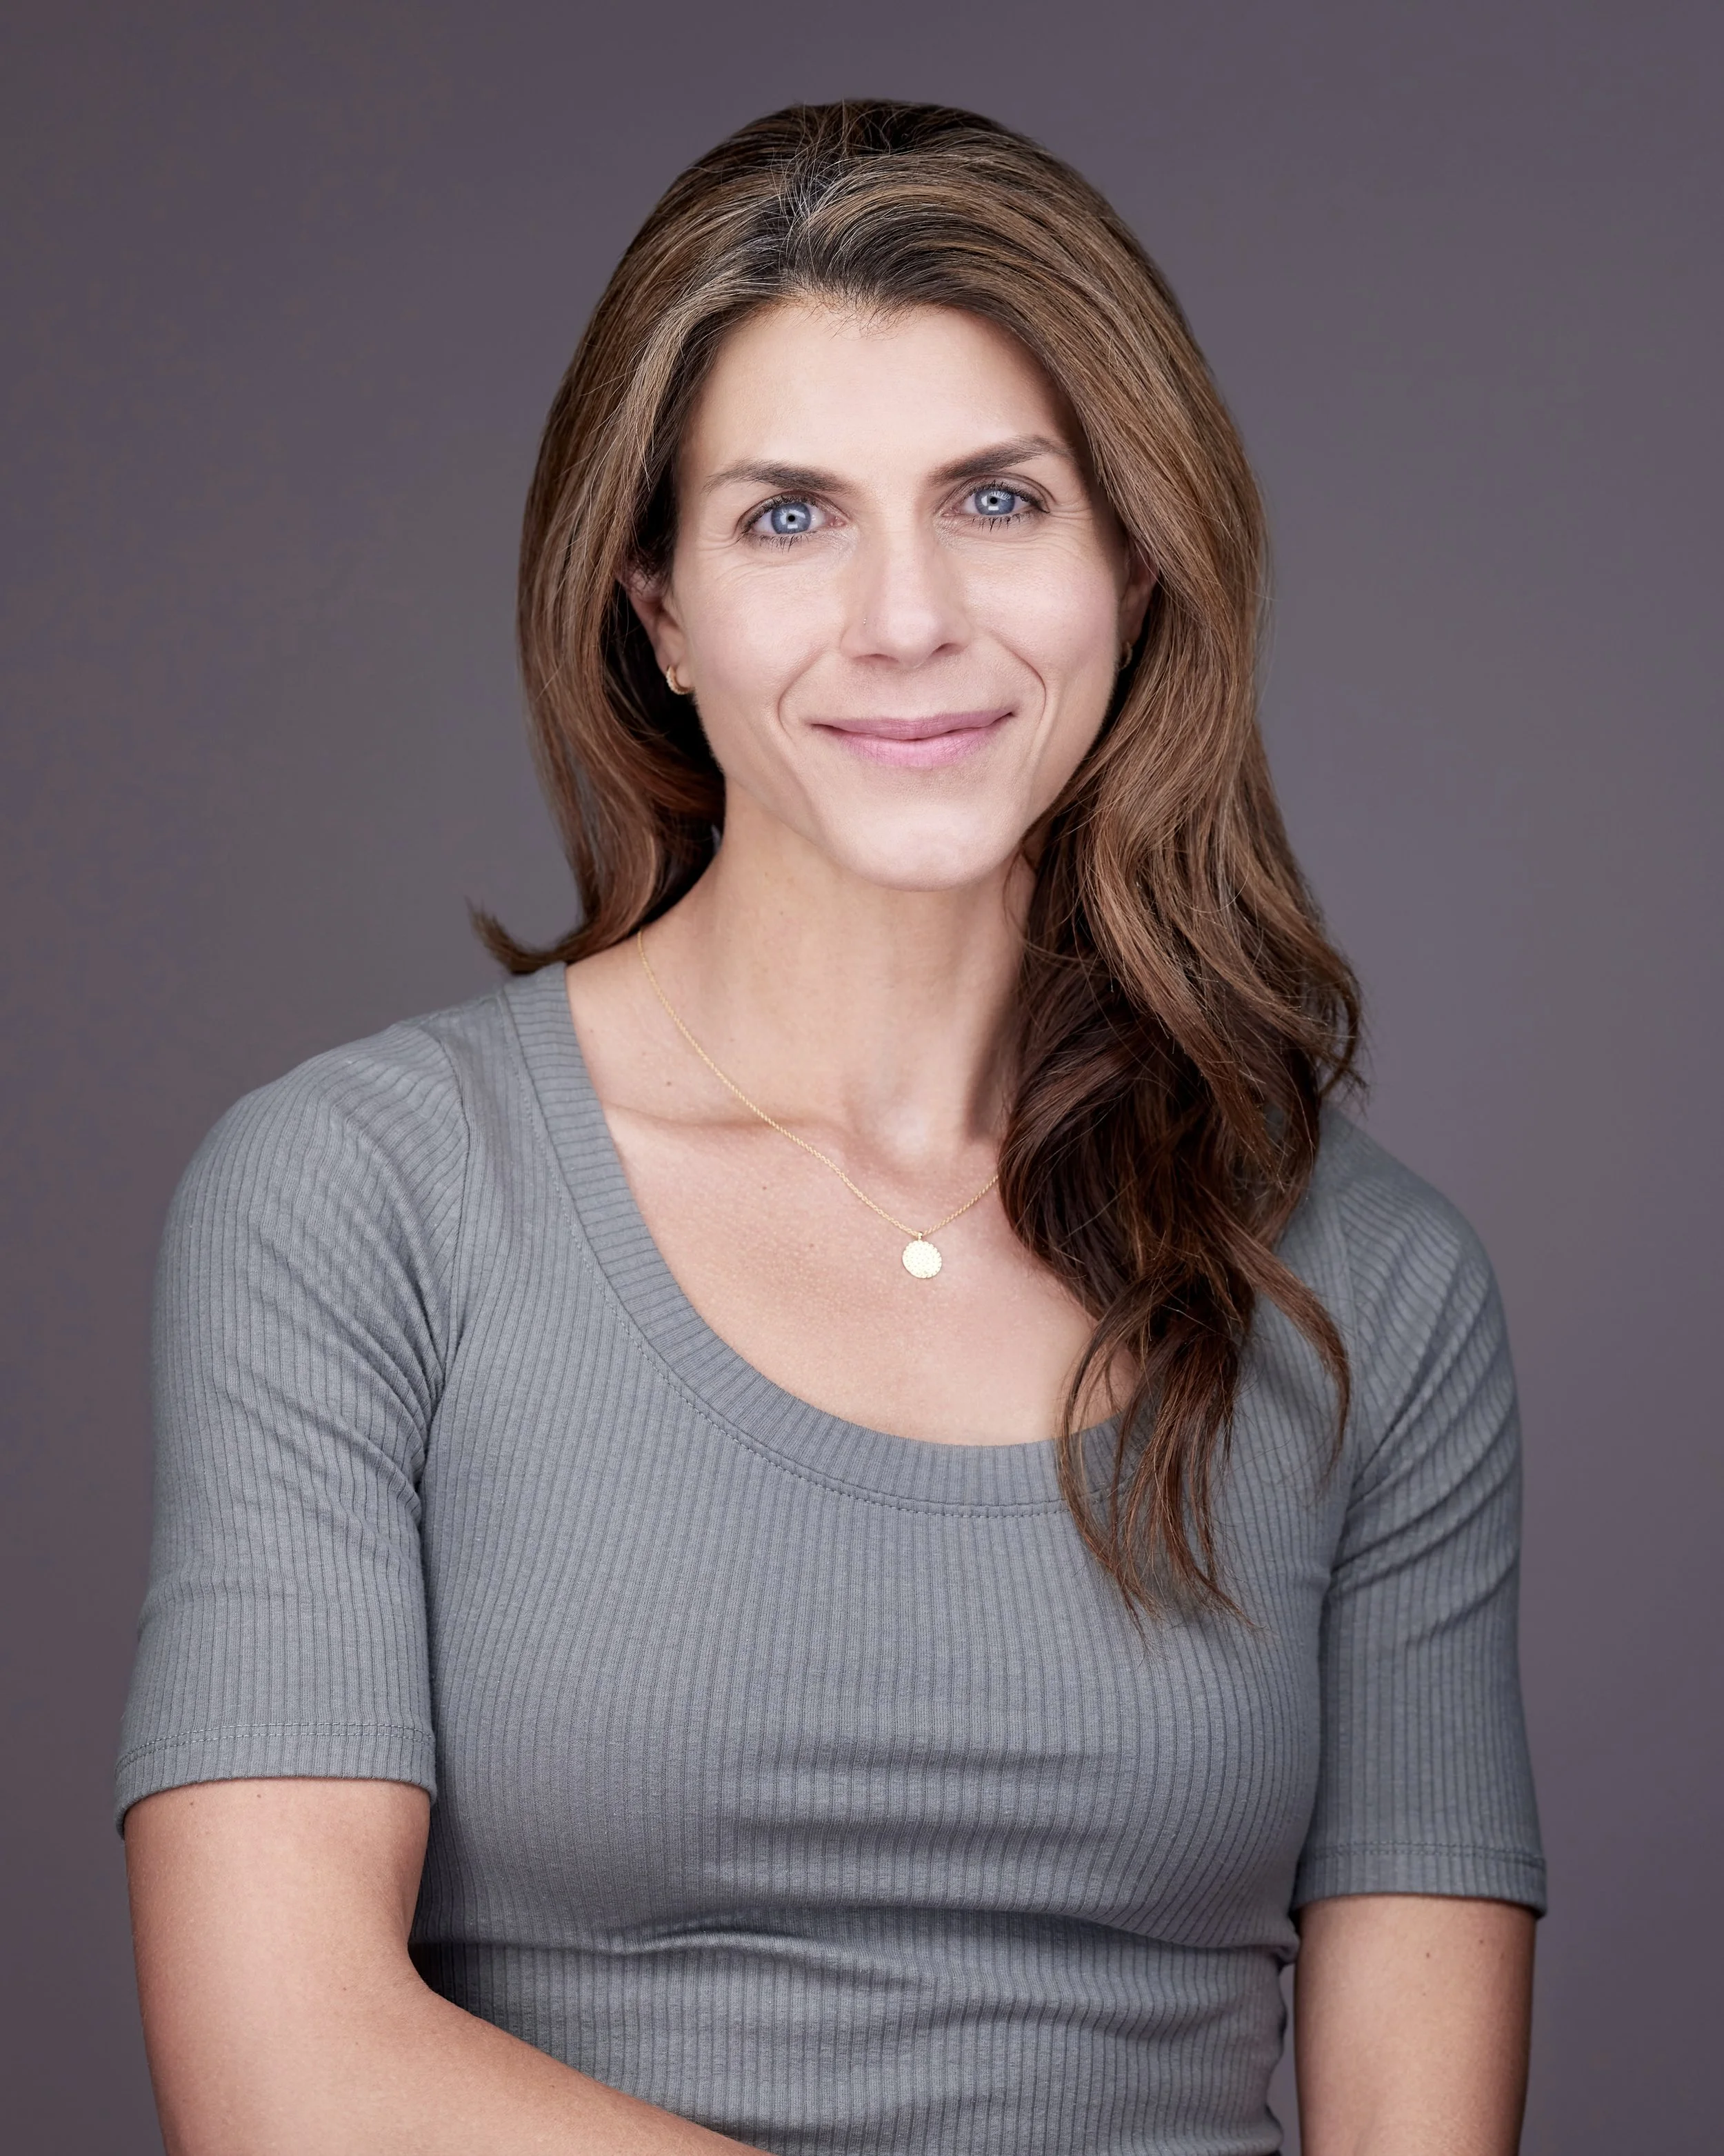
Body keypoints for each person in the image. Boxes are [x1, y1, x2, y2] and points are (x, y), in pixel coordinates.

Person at [117, 101, 1544, 2156]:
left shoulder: (1371, 1282)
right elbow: (285, 2076)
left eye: (995, 498)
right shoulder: (359, 1198)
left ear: (1132, 563)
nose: (904, 618)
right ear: (657, 605)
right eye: (789, 515)